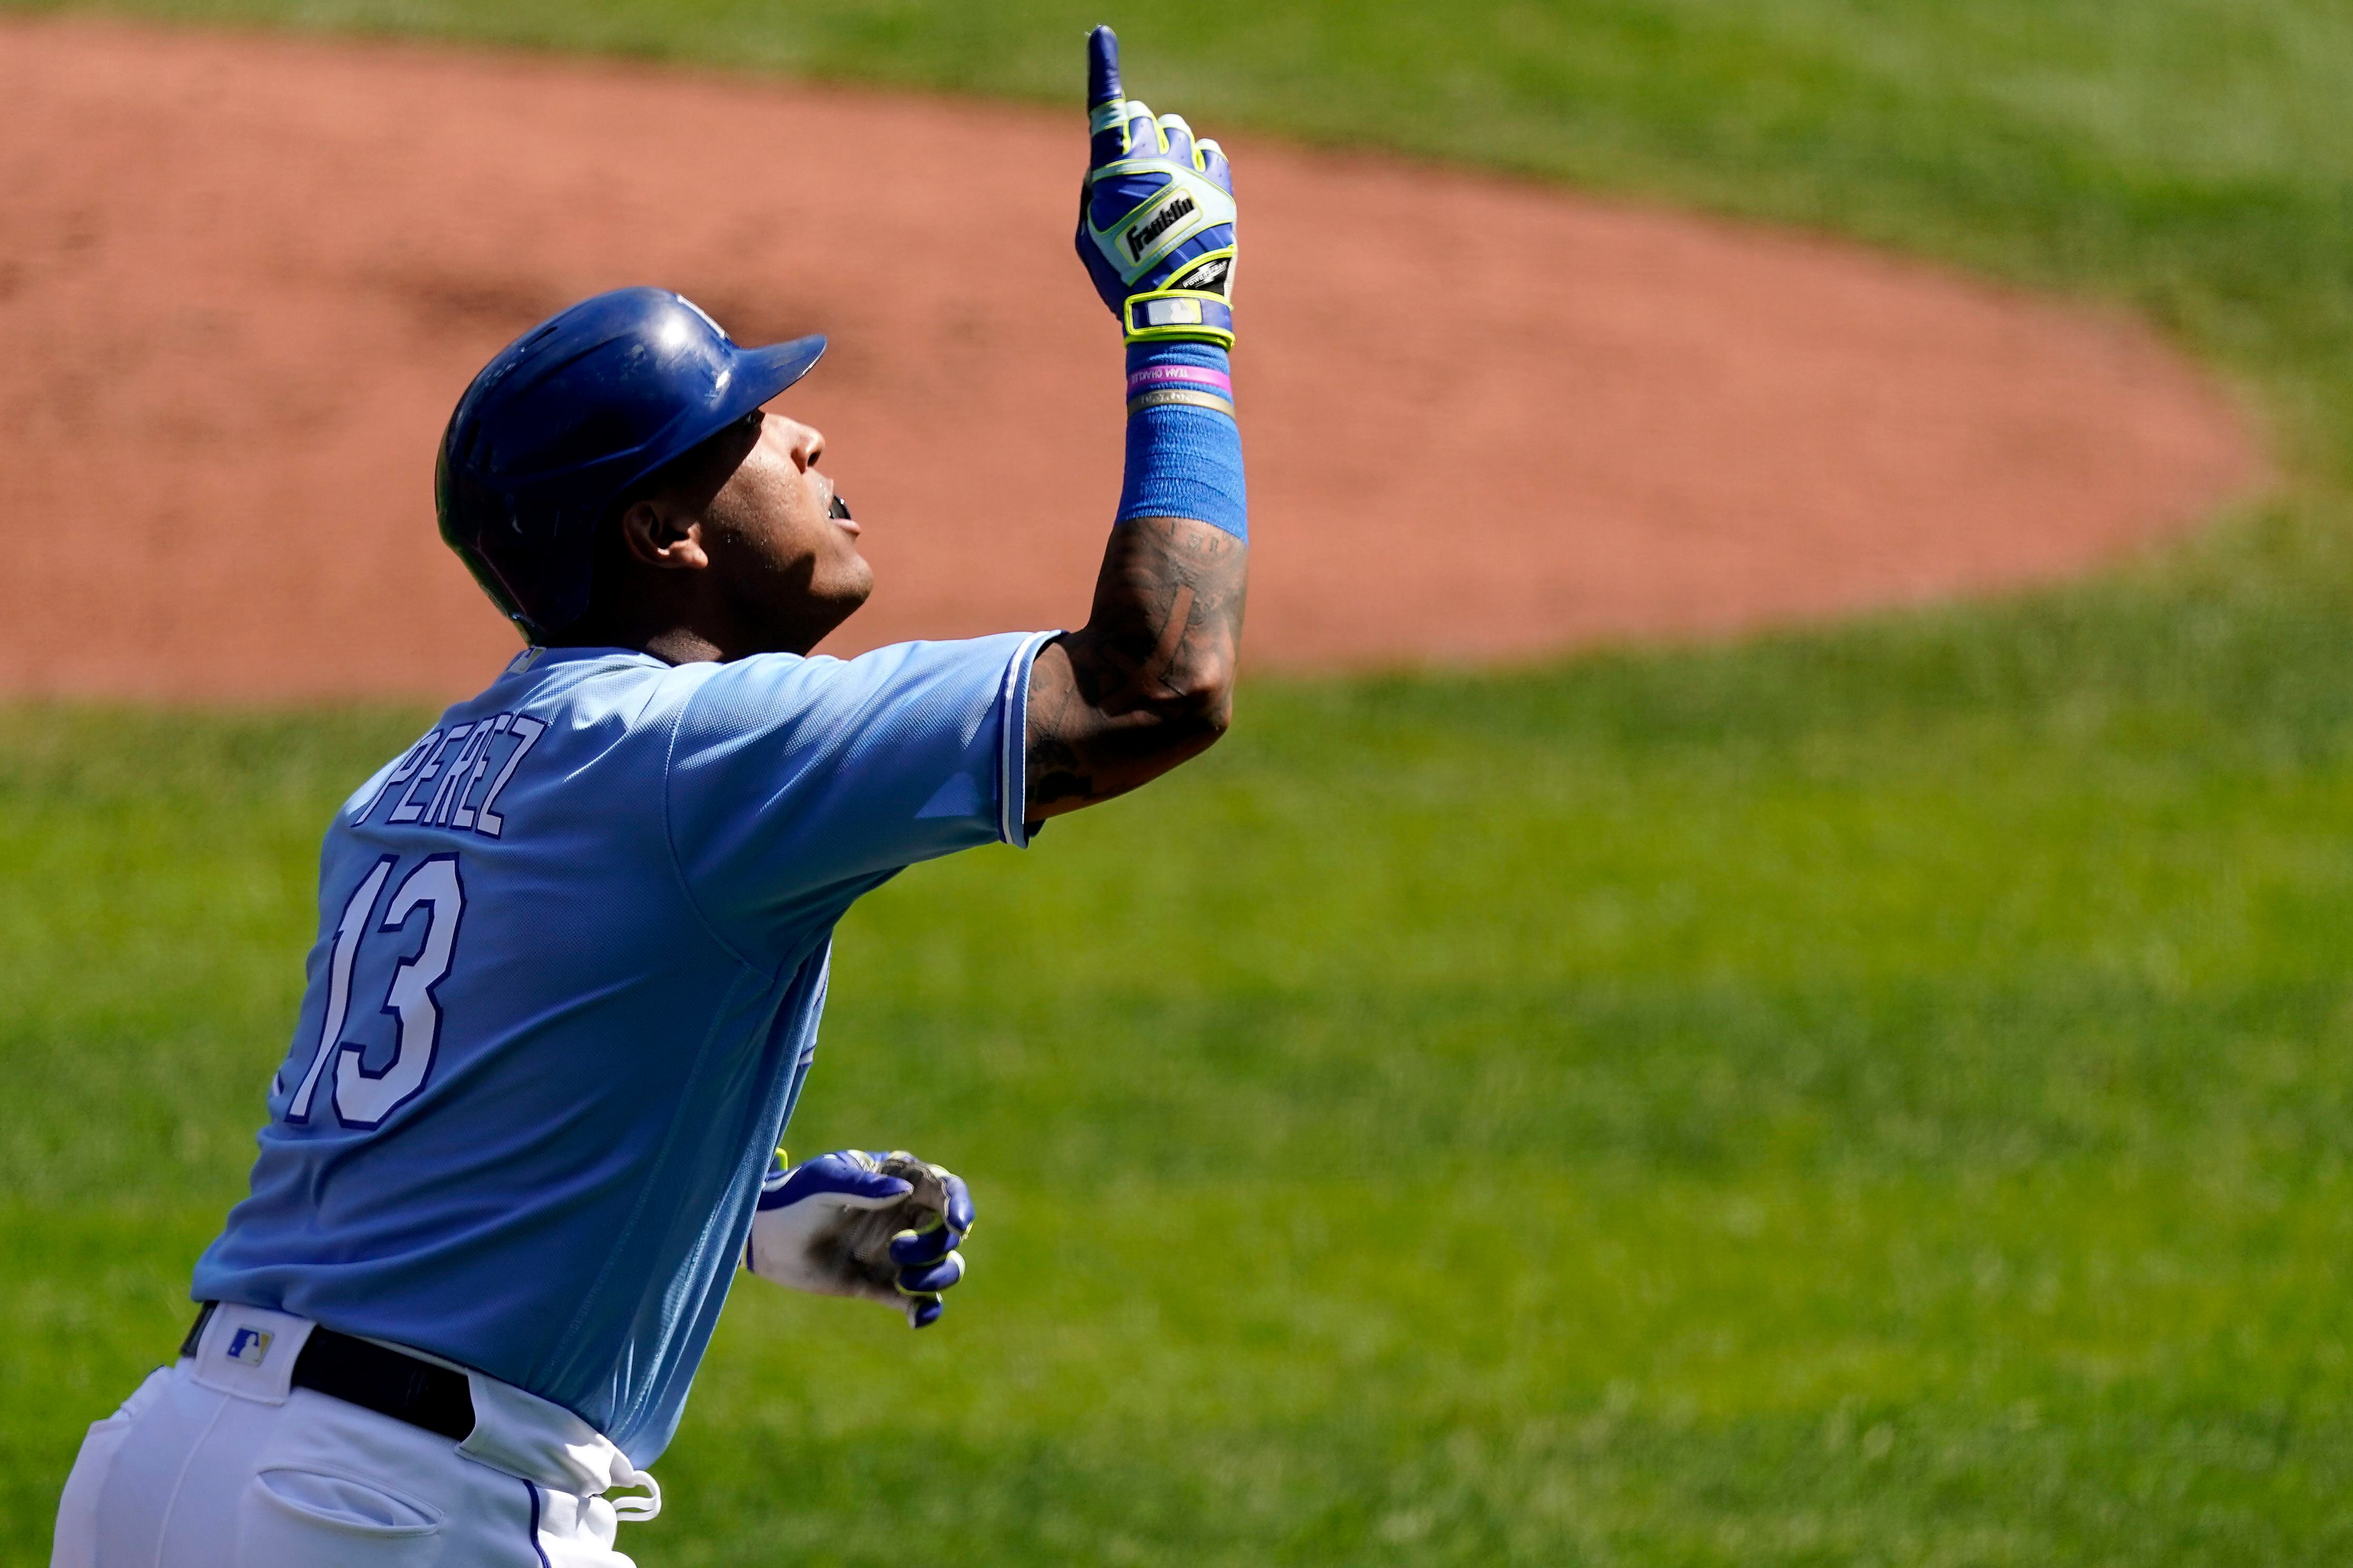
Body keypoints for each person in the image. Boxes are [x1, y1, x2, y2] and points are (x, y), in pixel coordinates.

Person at [50, 25, 1246, 1566]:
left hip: (173, 1469)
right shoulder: (693, 750)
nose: (808, 432)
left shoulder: (424, 778)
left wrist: (731, 1210)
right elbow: (1156, 684)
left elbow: (443, 1131)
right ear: (664, 527)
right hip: (380, 1511)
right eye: (748, 425)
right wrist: (1182, 322)